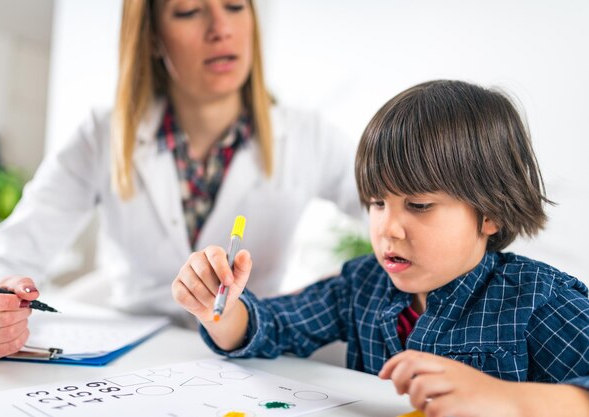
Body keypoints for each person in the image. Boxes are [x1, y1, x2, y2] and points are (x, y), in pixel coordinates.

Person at [0, 0, 361, 360]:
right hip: (133, 357)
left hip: (251, 353)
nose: (220, 28)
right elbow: (12, 255)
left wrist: (335, 291)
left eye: (236, 6)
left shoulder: (308, 136)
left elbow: (399, 220)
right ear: (152, 36)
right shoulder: (102, 134)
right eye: (189, 11)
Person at [172, 80, 589, 417]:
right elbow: (271, 326)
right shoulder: (362, 285)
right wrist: (220, 308)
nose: (388, 228)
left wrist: (507, 400)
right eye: (376, 203)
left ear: (490, 214)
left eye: (419, 205)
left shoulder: (538, 301)